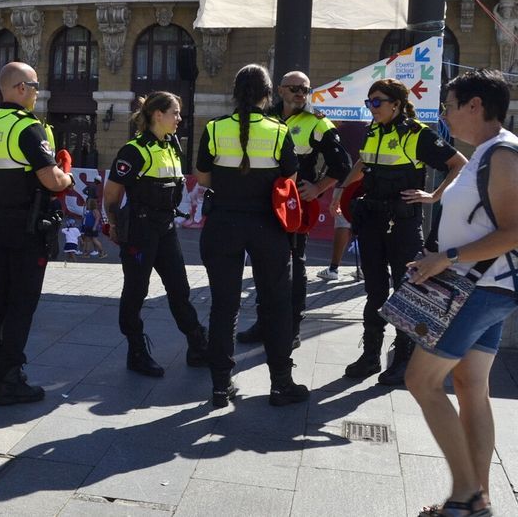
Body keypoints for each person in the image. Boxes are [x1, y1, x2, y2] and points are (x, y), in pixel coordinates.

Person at [404, 70, 516, 517]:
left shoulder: (503, 154)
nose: (444, 115)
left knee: (420, 380)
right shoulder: (486, 153)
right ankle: (479, 500)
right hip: (482, 287)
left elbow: (514, 230)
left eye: (449, 105)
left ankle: (466, 494)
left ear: (475, 105)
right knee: (471, 386)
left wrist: (446, 256)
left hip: (480, 288)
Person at [338, 78, 466, 385]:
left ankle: (402, 361)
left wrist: (434, 196)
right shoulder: (372, 131)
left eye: (377, 102)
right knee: (375, 292)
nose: (372, 108)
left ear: (396, 104)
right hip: (371, 222)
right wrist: (341, 189)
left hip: (403, 225)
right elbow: (363, 161)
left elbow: (458, 163)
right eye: (369, 102)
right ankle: (370, 356)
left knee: (404, 292)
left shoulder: (417, 134)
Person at [195, 64, 307, 408]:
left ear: (234, 92)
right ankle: (280, 384)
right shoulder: (278, 130)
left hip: (222, 225)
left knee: (224, 307)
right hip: (267, 226)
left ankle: (219, 386)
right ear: (267, 94)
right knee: (276, 305)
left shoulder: (214, 128)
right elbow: (289, 175)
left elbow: (201, 178)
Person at [0, 62, 73, 406]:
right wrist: (67, 176)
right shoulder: (28, 129)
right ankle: (11, 377)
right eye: (33, 86)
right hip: (28, 228)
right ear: (19, 89)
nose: (37, 92)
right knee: (22, 303)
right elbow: (51, 180)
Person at [238, 70, 352, 349]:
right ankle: (264, 323)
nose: (301, 94)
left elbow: (343, 165)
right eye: (294, 89)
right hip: (264, 202)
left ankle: (292, 327)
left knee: (295, 264)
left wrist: (318, 189)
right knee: (264, 263)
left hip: (294, 205)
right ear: (280, 90)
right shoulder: (266, 117)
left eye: (305, 89)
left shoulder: (317, 123)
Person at [105, 91, 208, 378]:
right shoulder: (133, 150)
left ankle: (198, 345)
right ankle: (136, 352)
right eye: (175, 112)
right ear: (157, 115)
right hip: (140, 230)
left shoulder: (172, 146)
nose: (179, 118)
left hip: (166, 229)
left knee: (180, 289)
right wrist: (113, 225)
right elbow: (112, 193)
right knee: (136, 292)